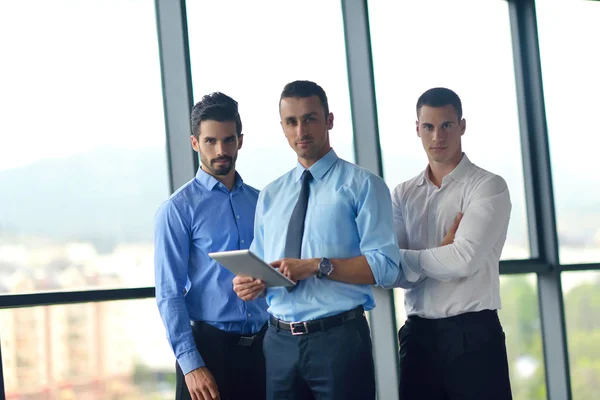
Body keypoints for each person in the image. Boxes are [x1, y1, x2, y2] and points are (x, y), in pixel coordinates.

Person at [232, 80, 400, 400]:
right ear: (282, 127)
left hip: (338, 342)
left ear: (329, 120)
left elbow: (387, 267)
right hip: (279, 343)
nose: (301, 130)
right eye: (291, 122)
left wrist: (314, 266)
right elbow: (261, 264)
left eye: (310, 118)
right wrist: (248, 283)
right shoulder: (271, 195)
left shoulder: (363, 186)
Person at [392, 87, 513, 399]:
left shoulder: (488, 186)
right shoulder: (402, 194)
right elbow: (389, 271)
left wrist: (408, 258)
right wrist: (438, 253)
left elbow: (464, 260)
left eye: (446, 125)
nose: (437, 136)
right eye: (428, 127)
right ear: (417, 129)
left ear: (462, 126)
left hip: (473, 336)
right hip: (417, 336)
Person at [154, 92, 269, 400]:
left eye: (229, 140)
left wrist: (266, 282)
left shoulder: (263, 203)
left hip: (264, 351)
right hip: (209, 352)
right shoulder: (177, 209)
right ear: (195, 143)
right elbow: (168, 292)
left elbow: (276, 270)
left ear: (240, 141)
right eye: (211, 141)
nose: (221, 150)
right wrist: (191, 365)